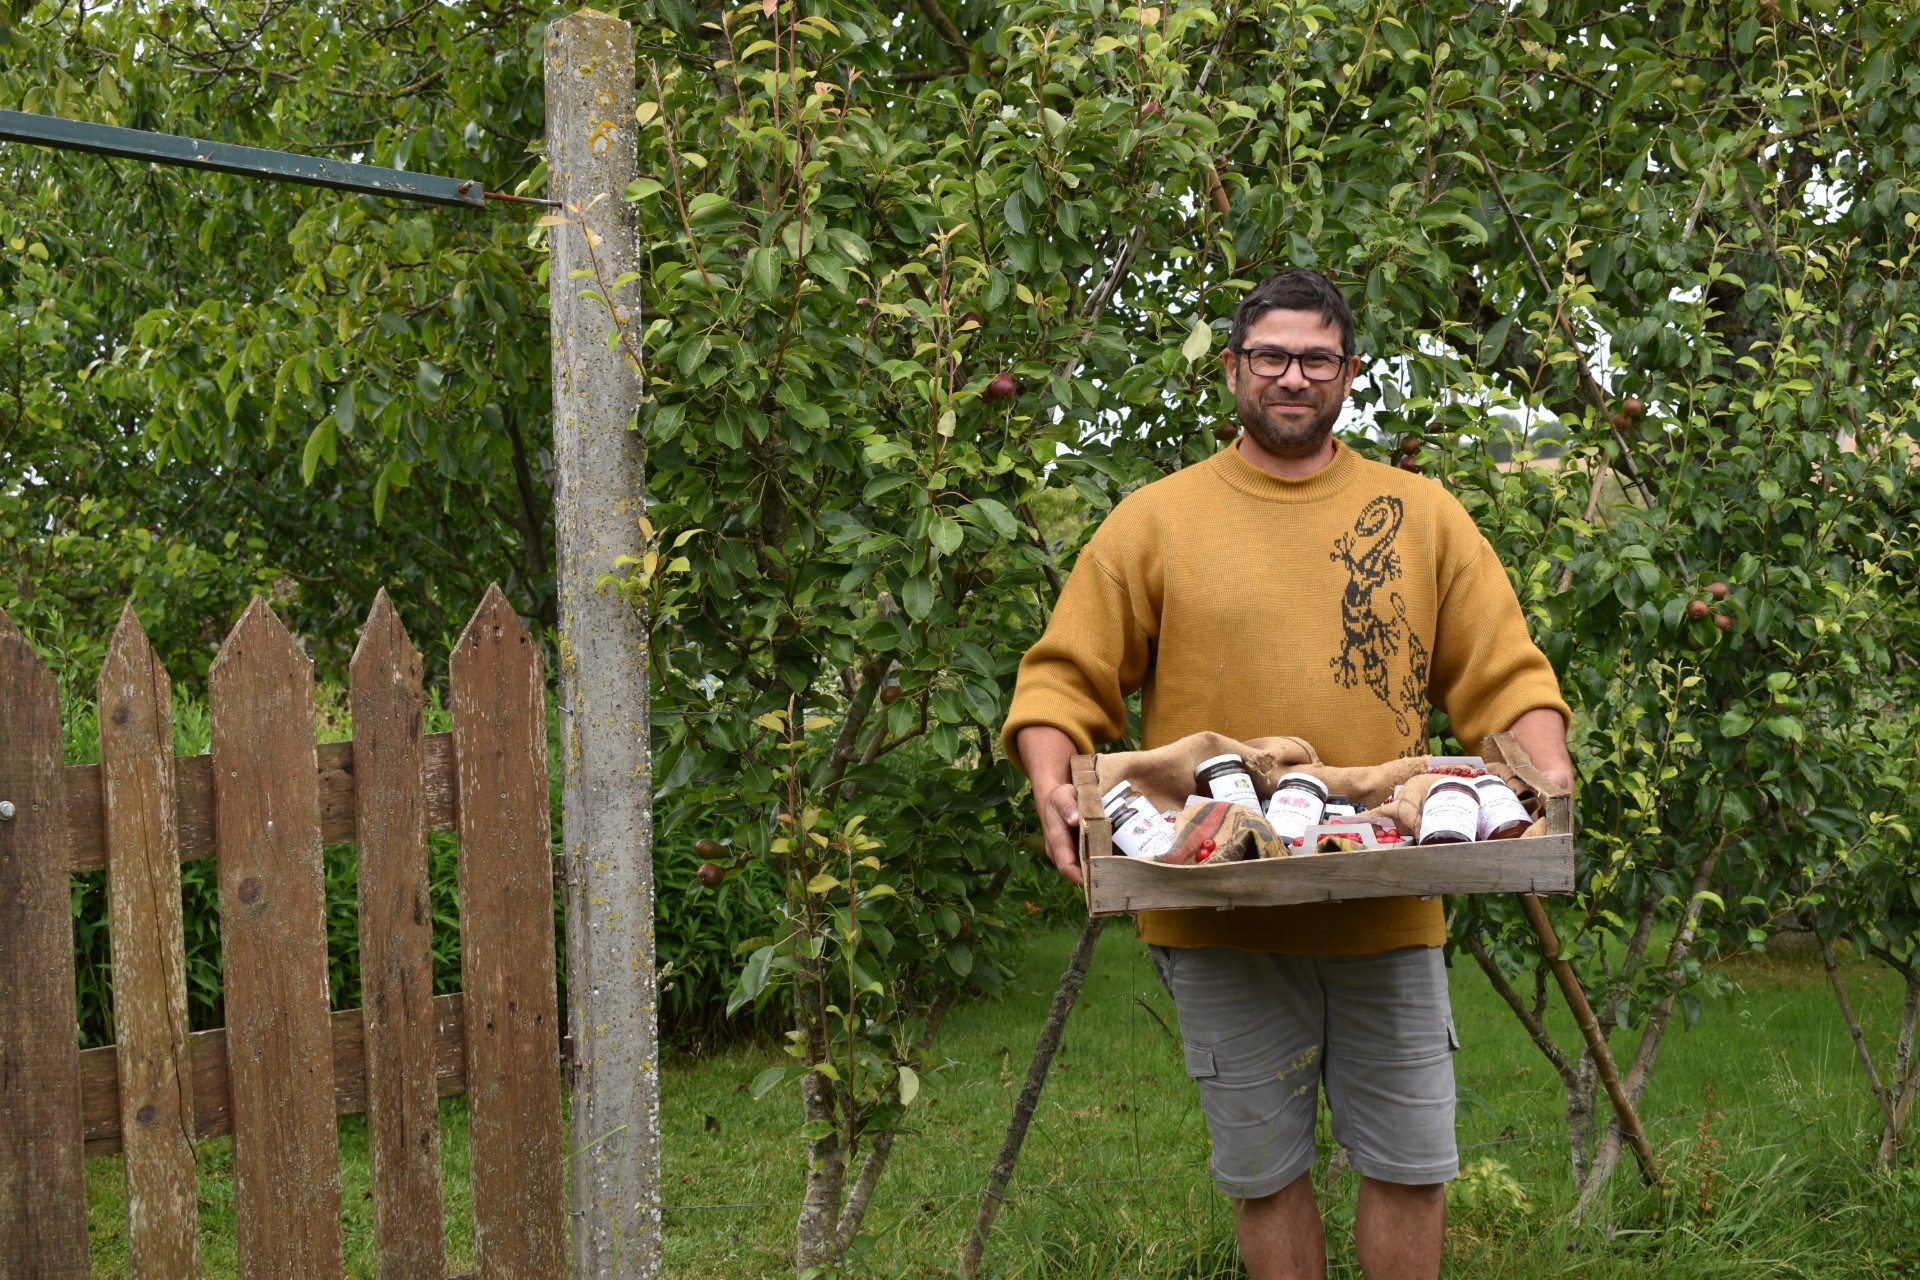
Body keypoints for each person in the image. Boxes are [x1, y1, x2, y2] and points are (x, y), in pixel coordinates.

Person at [999, 269, 1574, 1280]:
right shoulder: (1159, 519)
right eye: (1271, 355)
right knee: (1266, 1173)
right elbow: (1064, 674)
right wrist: (1053, 779)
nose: (1293, 375)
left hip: (1386, 904)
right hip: (1222, 907)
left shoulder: (1421, 513)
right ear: (1233, 369)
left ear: (1350, 373)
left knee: (1409, 1162)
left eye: (1317, 357)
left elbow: (1501, 668)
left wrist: (1545, 767)